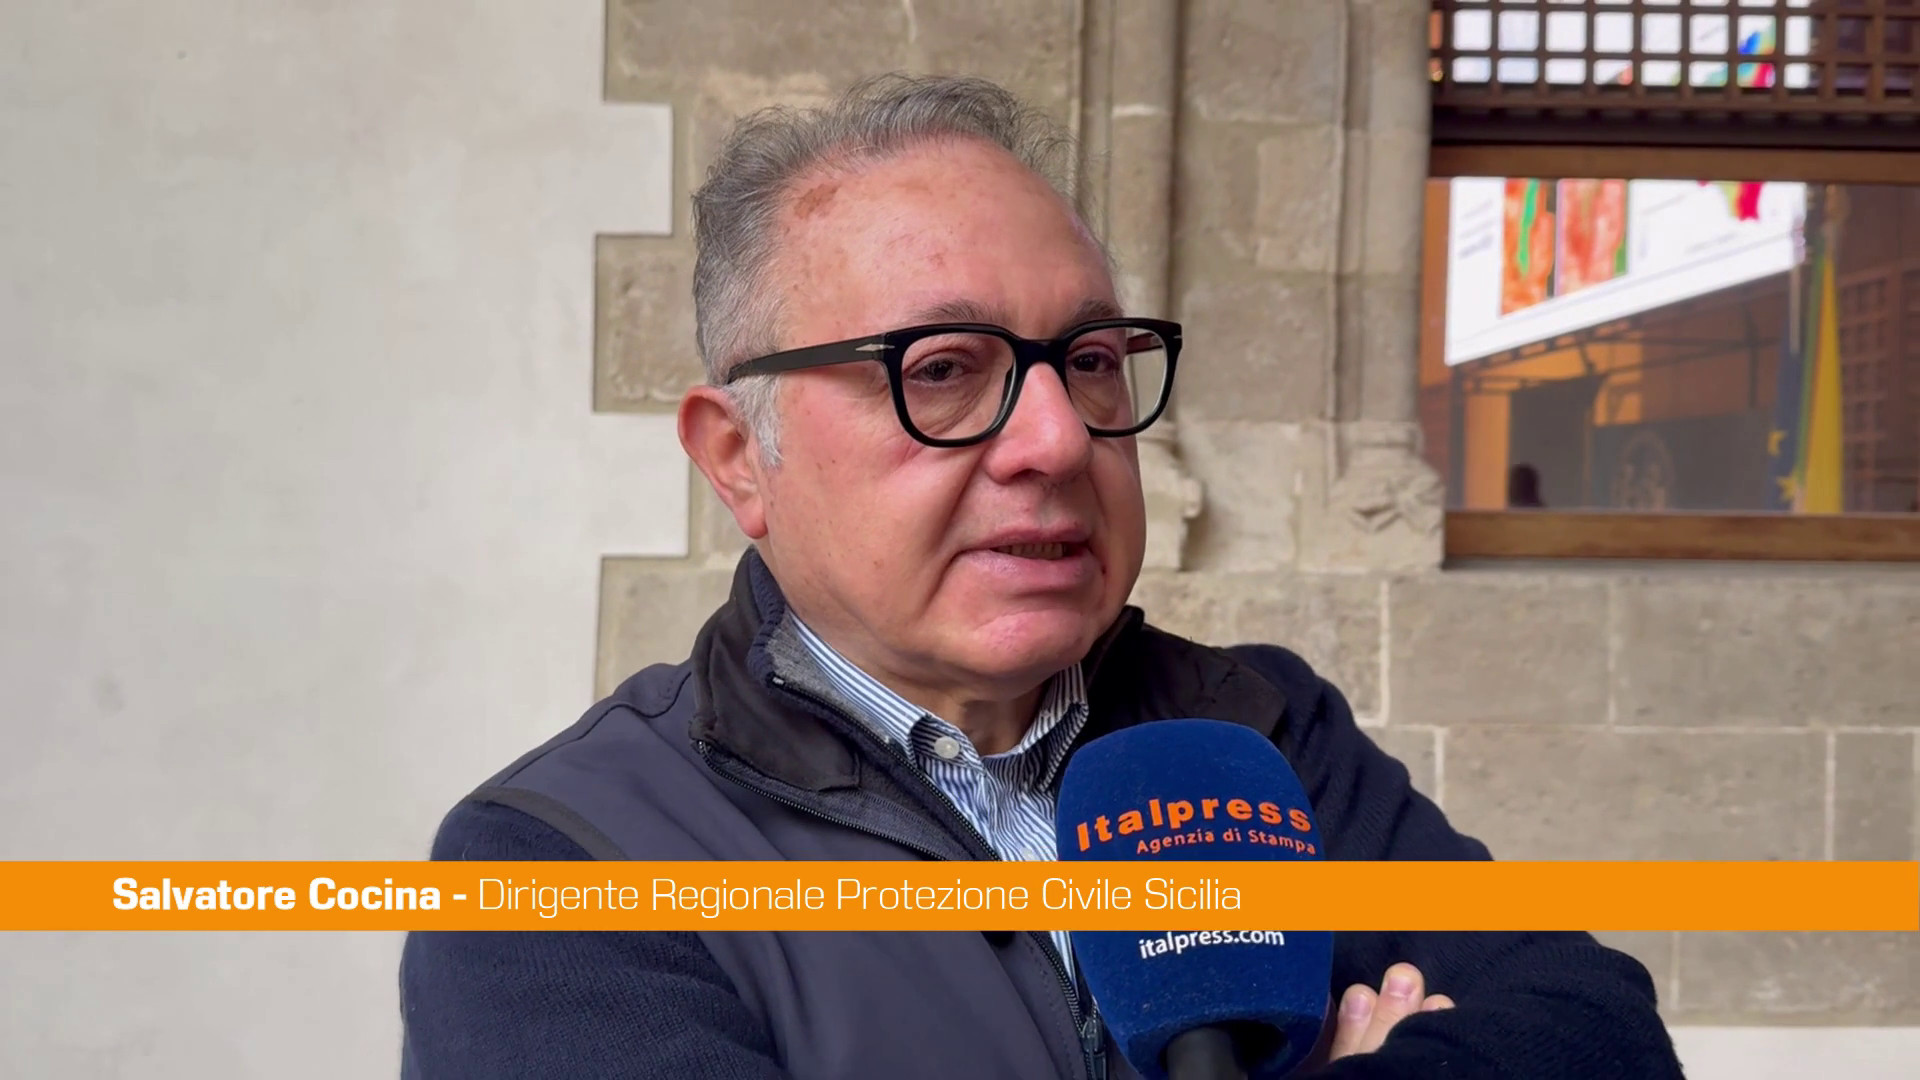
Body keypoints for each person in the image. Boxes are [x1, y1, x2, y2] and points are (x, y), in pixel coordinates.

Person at [397, 73, 1683, 1079]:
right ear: (739, 459)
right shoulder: (562, 870)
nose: (1059, 440)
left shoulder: (1259, 733)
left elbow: (1597, 1028)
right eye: (943, 371)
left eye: (1092, 361)